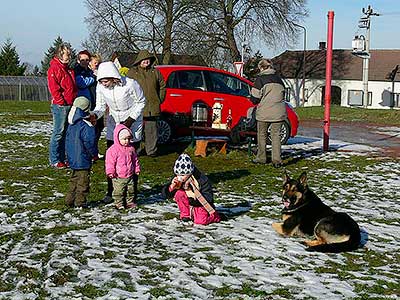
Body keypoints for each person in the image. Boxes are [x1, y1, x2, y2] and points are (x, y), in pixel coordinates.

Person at [91, 61, 146, 203]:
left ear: (113, 77)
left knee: (130, 160)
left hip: (132, 122)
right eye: (101, 81)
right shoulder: (100, 87)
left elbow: (141, 102)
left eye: (105, 81)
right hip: (114, 123)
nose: (103, 84)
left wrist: (130, 120)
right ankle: (112, 192)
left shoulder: (130, 84)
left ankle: (131, 194)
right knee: (112, 159)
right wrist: (94, 116)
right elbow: (100, 106)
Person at [162, 154, 222, 225]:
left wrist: (192, 196)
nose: (180, 177)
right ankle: (186, 215)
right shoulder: (177, 179)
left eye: (183, 175)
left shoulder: (201, 180)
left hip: (200, 204)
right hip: (189, 202)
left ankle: (215, 217)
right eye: (178, 174)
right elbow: (166, 195)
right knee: (179, 193)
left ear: (189, 173)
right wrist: (172, 187)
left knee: (200, 221)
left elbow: (208, 198)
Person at [127, 50, 166, 157]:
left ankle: (151, 150)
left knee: (151, 130)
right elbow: (126, 87)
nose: (146, 61)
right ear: (139, 61)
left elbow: (162, 85)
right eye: (144, 59)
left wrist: (159, 99)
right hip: (136, 106)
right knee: (136, 129)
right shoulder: (132, 72)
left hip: (152, 106)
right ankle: (136, 150)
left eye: (148, 59)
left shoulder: (155, 72)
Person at [250, 58, 287, 168]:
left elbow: (255, 98)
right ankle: (277, 160)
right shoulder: (279, 79)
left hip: (265, 112)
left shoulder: (260, 80)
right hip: (279, 112)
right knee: (276, 136)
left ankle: (261, 157)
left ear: (261, 67)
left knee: (262, 135)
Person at [47, 43, 77, 169]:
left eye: (69, 54)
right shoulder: (55, 68)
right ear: (60, 54)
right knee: (58, 132)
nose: (68, 56)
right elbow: (54, 88)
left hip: (70, 103)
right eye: (66, 54)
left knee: (65, 133)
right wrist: (61, 101)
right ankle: (54, 159)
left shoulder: (68, 69)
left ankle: (62, 157)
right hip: (61, 106)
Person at [65, 96, 98, 208]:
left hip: (73, 158)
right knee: (83, 182)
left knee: (74, 179)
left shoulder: (71, 124)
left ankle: (69, 199)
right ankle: (80, 202)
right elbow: (90, 142)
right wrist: (94, 154)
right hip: (83, 158)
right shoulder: (87, 126)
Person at [105, 124, 140, 210]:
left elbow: (135, 160)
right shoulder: (113, 150)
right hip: (118, 176)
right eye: (124, 139)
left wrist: (136, 168)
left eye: (128, 139)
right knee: (119, 191)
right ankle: (119, 203)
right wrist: (110, 171)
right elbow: (110, 162)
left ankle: (130, 202)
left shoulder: (131, 149)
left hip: (129, 174)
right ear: (118, 138)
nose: (126, 141)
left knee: (130, 190)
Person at [88, 53, 104, 154]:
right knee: (92, 128)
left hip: (100, 104)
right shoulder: (89, 76)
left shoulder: (101, 75)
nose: (97, 65)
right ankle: (90, 150)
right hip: (92, 103)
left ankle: (95, 150)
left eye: (98, 63)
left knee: (99, 127)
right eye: (95, 63)